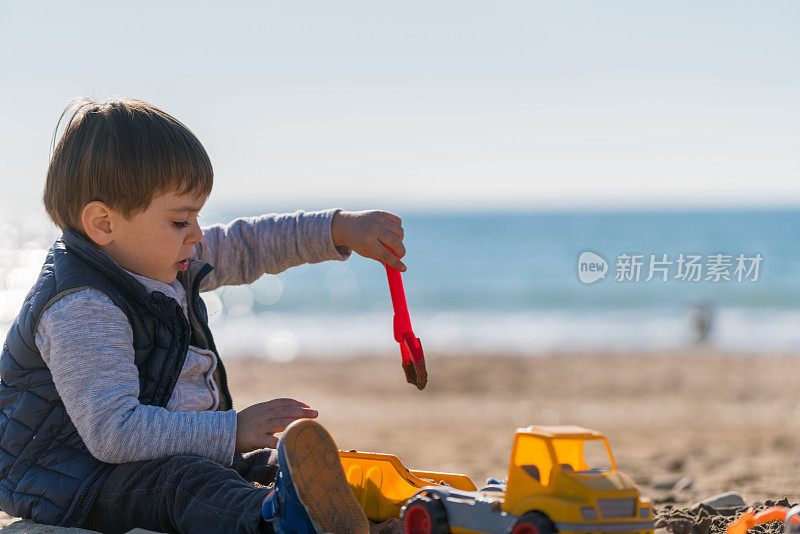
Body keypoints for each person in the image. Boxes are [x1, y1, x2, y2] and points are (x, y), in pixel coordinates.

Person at [0, 98, 408, 533]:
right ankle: (272, 525)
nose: (196, 234)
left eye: (197, 215)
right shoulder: (81, 306)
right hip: (77, 482)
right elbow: (115, 433)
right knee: (187, 484)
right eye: (180, 220)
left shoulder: (158, 257)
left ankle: (363, 515)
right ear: (103, 223)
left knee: (270, 464)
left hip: (151, 458)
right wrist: (232, 428)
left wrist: (337, 228)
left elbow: (248, 244)